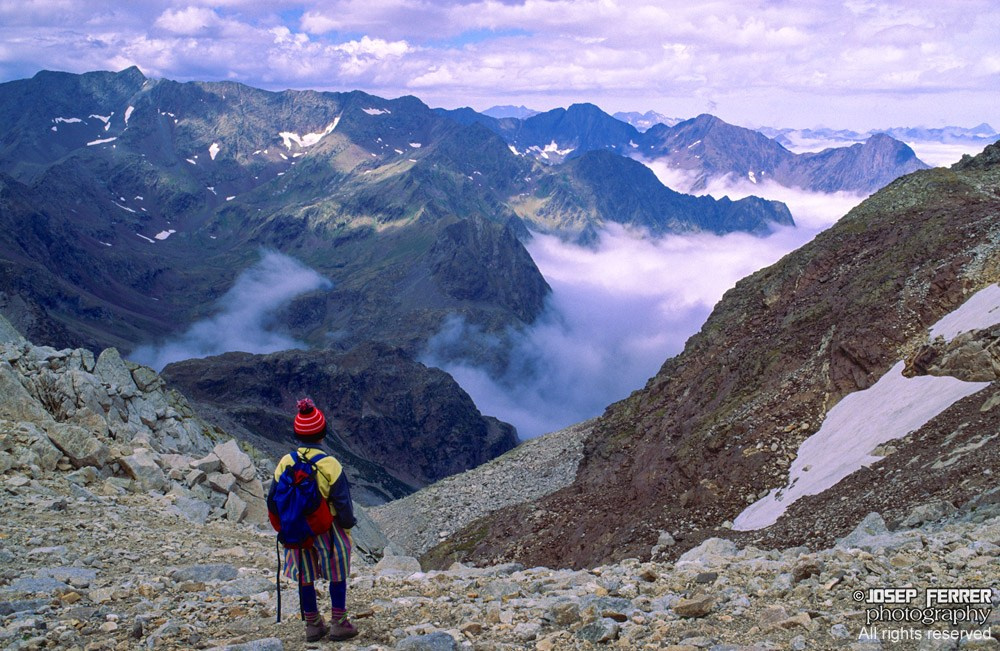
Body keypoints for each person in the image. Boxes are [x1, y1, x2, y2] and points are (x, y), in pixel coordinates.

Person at [272, 397, 358, 642]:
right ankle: (339, 622)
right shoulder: (331, 464)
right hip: (326, 527)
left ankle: (312, 624)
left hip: (296, 527)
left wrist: (284, 525)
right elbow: (342, 503)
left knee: (304, 575)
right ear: (323, 433)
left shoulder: (286, 461)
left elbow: (273, 499)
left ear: (297, 434)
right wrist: (347, 526)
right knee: (337, 571)